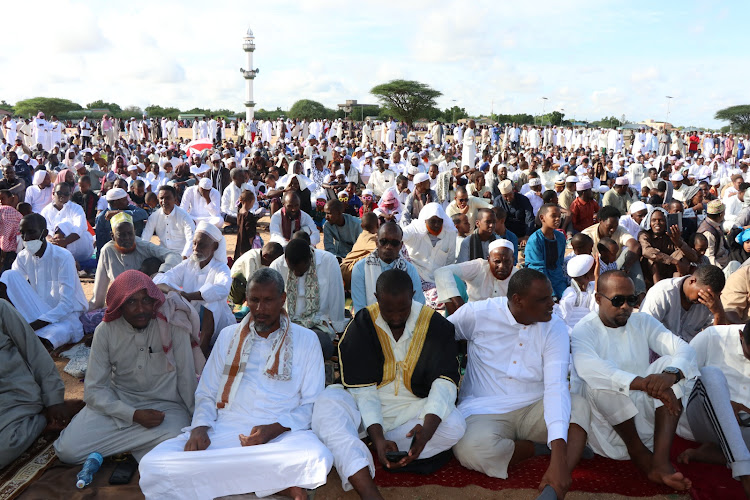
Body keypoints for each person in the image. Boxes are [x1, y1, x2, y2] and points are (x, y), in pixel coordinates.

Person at [139, 268, 333, 500]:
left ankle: (236, 479)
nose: (260, 309)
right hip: (227, 430)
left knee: (317, 456)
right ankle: (275, 483)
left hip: (283, 435)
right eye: (254, 300)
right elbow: (207, 393)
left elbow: (311, 404)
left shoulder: (307, 339)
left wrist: (273, 430)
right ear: (246, 300)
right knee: (154, 463)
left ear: (283, 299)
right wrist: (200, 426)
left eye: (268, 301)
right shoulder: (228, 336)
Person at [313, 269, 465, 499]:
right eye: (388, 310)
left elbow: (444, 382)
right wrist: (378, 435)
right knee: (327, 403)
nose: (395, 316)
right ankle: (369, 487)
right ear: (376, 298)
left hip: (412, 413)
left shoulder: (434, 324)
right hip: (364, 416)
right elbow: (363, 391)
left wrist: (428, 429)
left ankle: (366, 451)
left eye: (402, 309)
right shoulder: (362, 325)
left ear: (413, 295)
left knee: (455, 425)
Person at [450, 269, 590, 499]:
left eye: (551, 297)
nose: (552, 304)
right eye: (542, 299)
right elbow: (438, 335)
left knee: (579, 407)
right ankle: (538, 448)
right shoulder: (477, 314)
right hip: (483, 409)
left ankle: (556, 481)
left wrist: (556, 462)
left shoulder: (554, 327)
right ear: (518, 300)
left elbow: (556, 387)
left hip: (535, 405)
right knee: (471, 449)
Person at [54, 271, 201, 464]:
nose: (141, 309)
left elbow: (186, 379)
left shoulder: (172, 326)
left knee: (180, 437)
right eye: (131, 302)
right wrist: (133, 415)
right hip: (119, 405)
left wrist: (197, 423)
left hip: (166, 409)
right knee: (67, 450)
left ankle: (124, 448)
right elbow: (94, 390)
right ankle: (144, 449)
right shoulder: (105, 332)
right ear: (120, 305)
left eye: (146, 300)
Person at [571, 271, 697, 491]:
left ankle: (660, 460)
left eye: (632, 299)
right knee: (602, 384)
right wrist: (644, 384)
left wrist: (670, 376)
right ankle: (640, 455)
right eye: (618, 300)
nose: (626, 306)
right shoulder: (584, 330)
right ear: (599, 299)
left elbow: (683, 349)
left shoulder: (641, 321)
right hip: (606, 425)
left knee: (670, 363)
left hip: (645, 414)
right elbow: (589, 369)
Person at [0, 299, 82, 468]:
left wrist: (54, 400)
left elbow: (34, 351)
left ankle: (43, 419)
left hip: (14, 397)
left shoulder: (1, 308)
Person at [675, 322, 750, 497]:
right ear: (741, 335)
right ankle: (744, 471)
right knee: (711, 376)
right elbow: (681, 380)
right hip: (702, 421)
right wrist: (722, 402)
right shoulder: (712, 337)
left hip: (743, 430)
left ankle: (718, 454)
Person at [0, 213, 88, 350]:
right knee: (8, 275)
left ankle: (26, 338)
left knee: (56, 334)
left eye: (31, 232)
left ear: (44, 233)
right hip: (38, 313)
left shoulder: (63, 257)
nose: (26, 238)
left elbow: (66, 305)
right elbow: (13, 287)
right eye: (22, 233)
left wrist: (31, 327)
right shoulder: (23, 257)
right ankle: (14, 327)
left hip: (64, 317)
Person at [154, 222, 235, 355]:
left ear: (214, 246)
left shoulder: (221, 268)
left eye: (202, 244)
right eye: (194, 243)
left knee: (211, 304)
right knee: (168, 295)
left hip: (216, 323)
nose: (196, 248)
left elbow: (222, 288)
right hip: (190, 317)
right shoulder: (188, 264)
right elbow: (160, 279)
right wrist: (177, 293)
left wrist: (190, 296)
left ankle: (201, 354)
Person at [271, 238, 345, 360]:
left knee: (321, 344)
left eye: (299, 269)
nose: (295, 273)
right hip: (286, 324)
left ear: (309, 260)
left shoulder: (328, 262)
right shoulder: (276, 267)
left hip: (316, 325)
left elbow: (336, 298)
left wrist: (340, 330)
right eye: (291, 268)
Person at [90, 213, 182, 310]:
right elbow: (98, 295)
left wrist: (160, 275)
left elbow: (174, 256)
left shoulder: (142, 246)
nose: (127, 238)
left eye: (130, 234)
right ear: (112, 236)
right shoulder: (107, 251)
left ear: (135, 232)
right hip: (122, 305)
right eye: (121, 235)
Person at [351, 221, 425, 313]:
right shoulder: (360, 269)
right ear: (376, 242)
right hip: (370, 323)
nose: (389, 246)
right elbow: (360, 309)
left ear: (401, 246)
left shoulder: (409, 269)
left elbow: (419, 305)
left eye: (394, 243)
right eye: (384, 241)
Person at [639, 265, 727, 342]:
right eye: (702, 295)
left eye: (710, 297)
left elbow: (716, 341)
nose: (704, 300)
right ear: (692, 281)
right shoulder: (662, 292)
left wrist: (718, 313)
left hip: (689, 354)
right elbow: (644, 329)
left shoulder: (711, 303)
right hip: (659, 351)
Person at [436, 238, 517, 314]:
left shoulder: (519, 276)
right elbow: (442, 272)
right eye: (497, 261)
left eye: (507, 261)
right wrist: (457, 300)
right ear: (488, 260)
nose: (502, 266)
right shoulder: (479, 266)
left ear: (513, 260)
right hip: (473, 318)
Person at [401, 202, 457, 308]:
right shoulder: (415, 230)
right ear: (425, 220)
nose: (436, 225)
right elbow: (398, 234)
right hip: (414, 276)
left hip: (436, 281)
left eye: (439, 221)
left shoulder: (450, 233)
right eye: (433, 221)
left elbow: (450, 261)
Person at [637, 207, 700, 286]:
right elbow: (646, 251)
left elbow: (694, 257)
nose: (657, 223)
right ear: (649, 223)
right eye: (654, 220)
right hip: (650, 274)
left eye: (661, 220)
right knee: (652, 258)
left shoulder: (670, 234)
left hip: (669, 270)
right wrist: (674, 261)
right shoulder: (644, 234)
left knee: (681, 253)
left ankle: (680, 283)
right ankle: (658, 287)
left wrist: (677, 241)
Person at [40, 181, 94, 263]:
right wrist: (52, 240)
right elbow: (45, 230)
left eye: (66, 194)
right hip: (54, 245)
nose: (62, 196)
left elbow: (79, 229)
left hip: (79, 247)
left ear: (70, 195)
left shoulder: (76, 208)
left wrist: (64, 241)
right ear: (53, 193)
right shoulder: (46, 211)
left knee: (64, 225)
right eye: (59, 193)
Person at [140, 185, 196, 260]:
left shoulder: (184, 216)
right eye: (161, 198)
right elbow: (145, 237)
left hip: (181, 254)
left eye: (167, 198)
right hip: (162, 254)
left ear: (175, 199)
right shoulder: (154, 216)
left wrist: (184, 256)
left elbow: (191, 238)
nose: (164, 201)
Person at [526, 204, 567, 298]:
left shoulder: (560, 237)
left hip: (558, 281)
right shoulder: (534, 240)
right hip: (540, 283)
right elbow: (536, 269)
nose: (557, 219)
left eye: (559, 216)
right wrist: (551, 293)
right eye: (553, 216)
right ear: (542, 218)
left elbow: (559, 264)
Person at [229, 242, 284, 307]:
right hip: (237, 288)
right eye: (272, 261)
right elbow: (251, 282)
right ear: (265, 256)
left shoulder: (265, 259)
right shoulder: (251, 259)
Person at [95, 187, 149, 254]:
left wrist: (119, 213)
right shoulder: (101, 218)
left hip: (133, 249)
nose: (127, 201)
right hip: (112, 252)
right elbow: (100, 242)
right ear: (116, 202)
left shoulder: (129, 208)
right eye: (125, 200)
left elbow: (144, 214)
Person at [557, 254, 597, 331]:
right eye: (594, 270)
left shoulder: (591, 287)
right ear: (587, 277)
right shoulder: (570, 293)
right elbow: (562, 317)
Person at [340, 212, 379, 290]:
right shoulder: (371, 238)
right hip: (349, 270)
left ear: (361, 226)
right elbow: (379, 251)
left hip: (343, 268)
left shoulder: (362, 235)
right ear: (378, 225)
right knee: (376, 257)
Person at [493, 179, 535, 245]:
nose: (508, 198)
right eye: (505, 196)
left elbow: (529, 218)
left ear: (513, 191)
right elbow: (497, 219)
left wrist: (527, 235)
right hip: (505, 236)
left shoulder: (523, 199)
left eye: (510, 195)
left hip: (523, 234)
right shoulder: (498, 201)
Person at [699, 200, 731, 268]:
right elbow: (709, 257)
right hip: (720, 264)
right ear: (721, 215)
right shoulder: (708, 233)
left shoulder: (714, 224)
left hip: (726, 257)